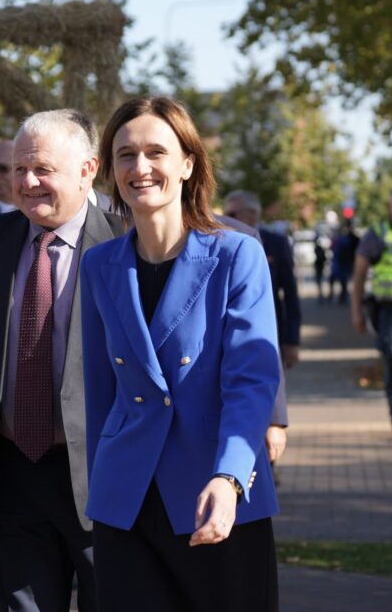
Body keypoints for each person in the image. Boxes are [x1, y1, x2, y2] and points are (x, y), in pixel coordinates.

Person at [82, 96, 281, 612]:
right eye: (125, 155)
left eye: (156, 152)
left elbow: (252, 382)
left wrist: (230, 477)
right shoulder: (99, 264)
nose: (140, 167)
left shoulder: (237, 254)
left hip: (215, 496)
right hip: (126, 505)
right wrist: (101, 487)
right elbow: (101, 392)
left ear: (188, 164)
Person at [0, 109, 124, 612]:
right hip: (11, 474)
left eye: (42, 169)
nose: (27, 181)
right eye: (20, 169)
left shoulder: (126, 242)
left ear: (88, 170)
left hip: (102, 474)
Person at [351, 185, 392, 440]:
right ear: (390, 206)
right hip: (390, 312)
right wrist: (356, 312)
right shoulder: (376, 235)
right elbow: (359, 277)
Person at [223, 190, 302, 369]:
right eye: (225, 214)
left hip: (268, 334)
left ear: (253, 214)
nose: (226, 219)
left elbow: (290, 294)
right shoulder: (219, 243)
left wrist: (292, 340)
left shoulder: (276, 243)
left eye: (233, 214)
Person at [331, 223, 358, 304]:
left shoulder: (340, 240)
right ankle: (342, 296)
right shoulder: (345, 240)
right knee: (343, 281)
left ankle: (341, 296)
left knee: (341, 280)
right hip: (343, 263)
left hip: (342, 263)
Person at [314, 238, 328, 302]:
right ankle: (320, 295)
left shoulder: (317, 249)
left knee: (319, 281)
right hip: (320, 266)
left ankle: (321, 295)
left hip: (319, 266)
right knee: (319, 281)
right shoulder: (320, 249)